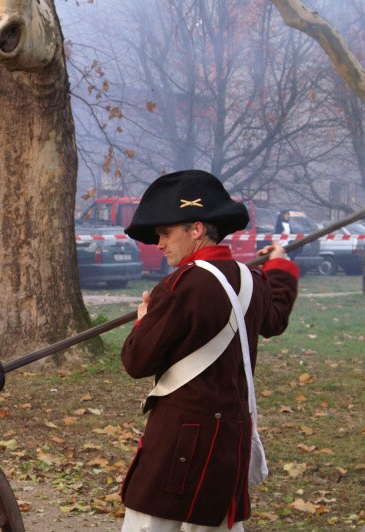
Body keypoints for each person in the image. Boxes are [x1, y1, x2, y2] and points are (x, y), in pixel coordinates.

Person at [119, 170, 299, 531]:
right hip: (228, 443)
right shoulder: (252, 280)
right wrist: (279, 264)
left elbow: (136, 360)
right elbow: (275, 318)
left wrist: (142, 322)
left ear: (196, 229)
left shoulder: (179, 286)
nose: (160, 244)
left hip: (177, 445)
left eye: (167, 233)